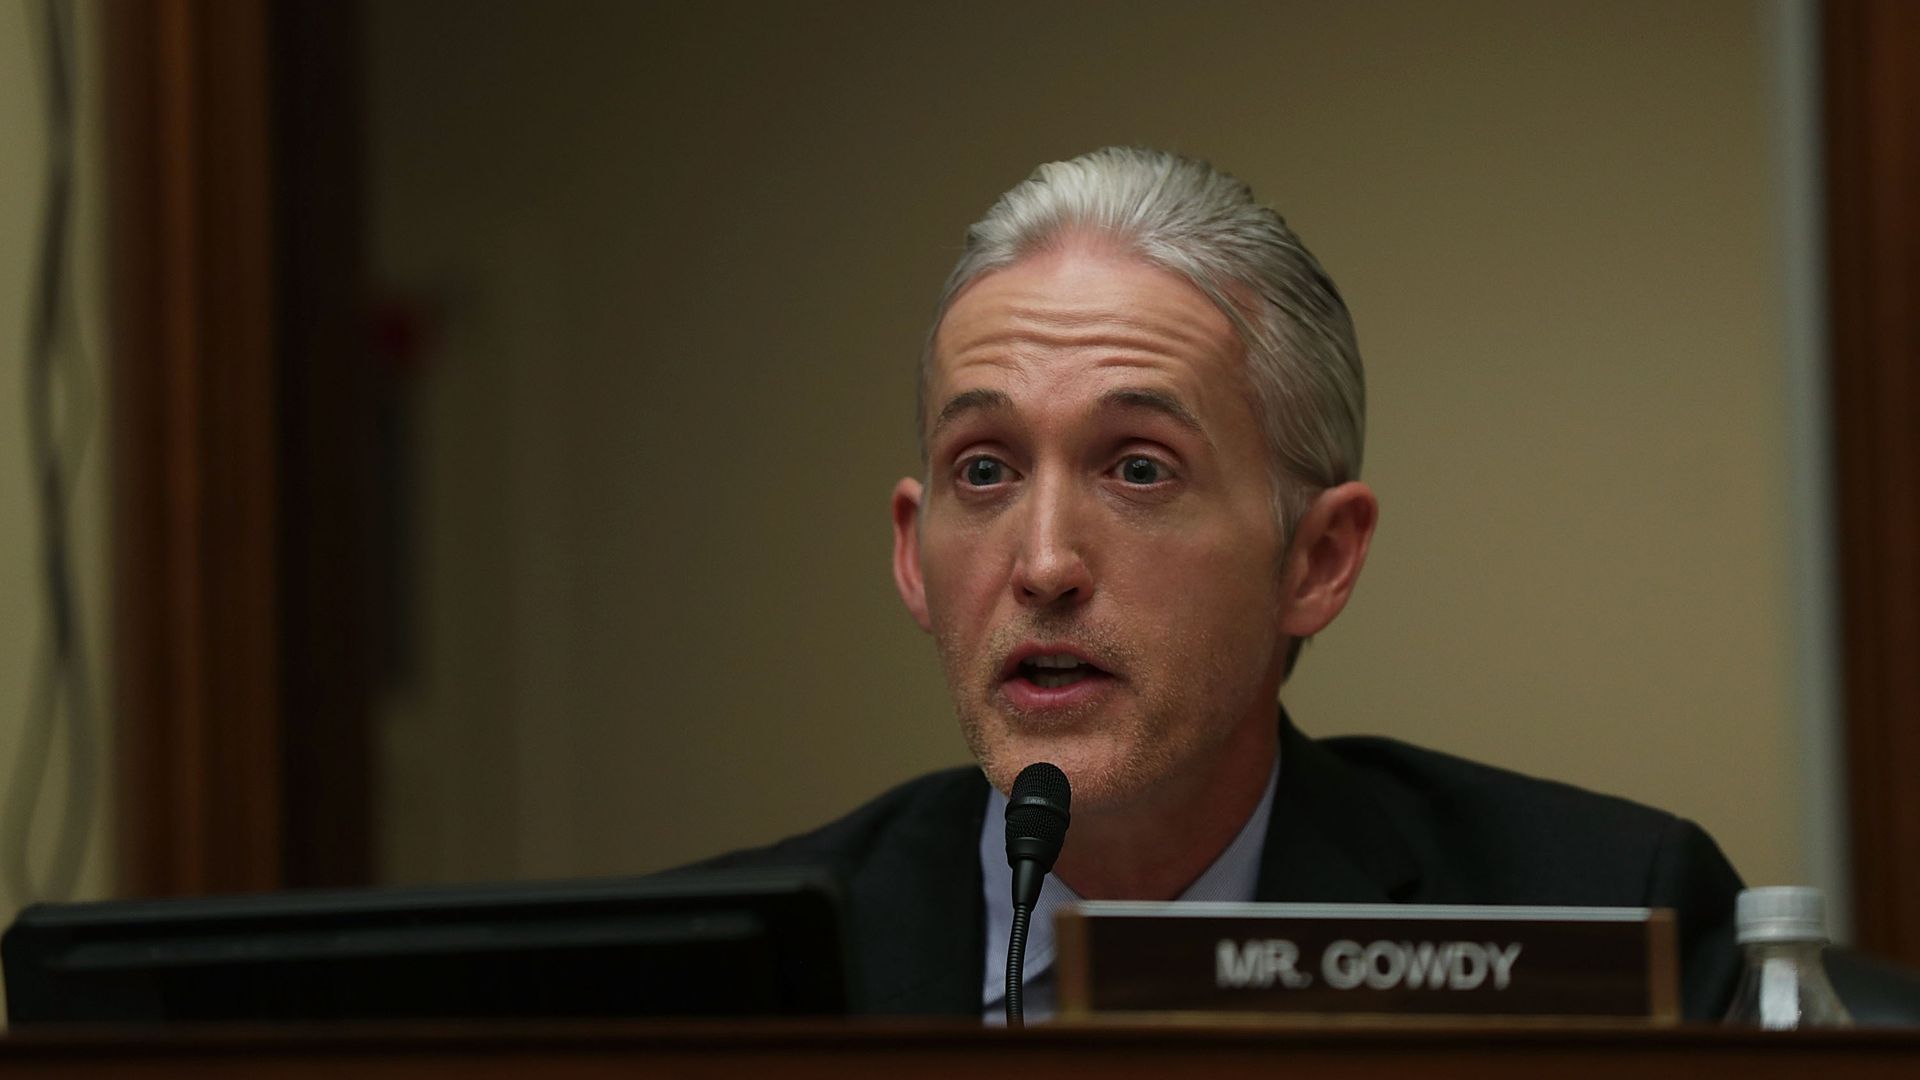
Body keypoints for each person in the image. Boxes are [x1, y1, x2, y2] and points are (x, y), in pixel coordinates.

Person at [701, 146, 1743, 1021]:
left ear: (1318, 560)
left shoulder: (1610, 921)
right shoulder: (702, 978)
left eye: (1139, 468)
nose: (1046, 564)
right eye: (985, 471)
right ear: (910, 554)